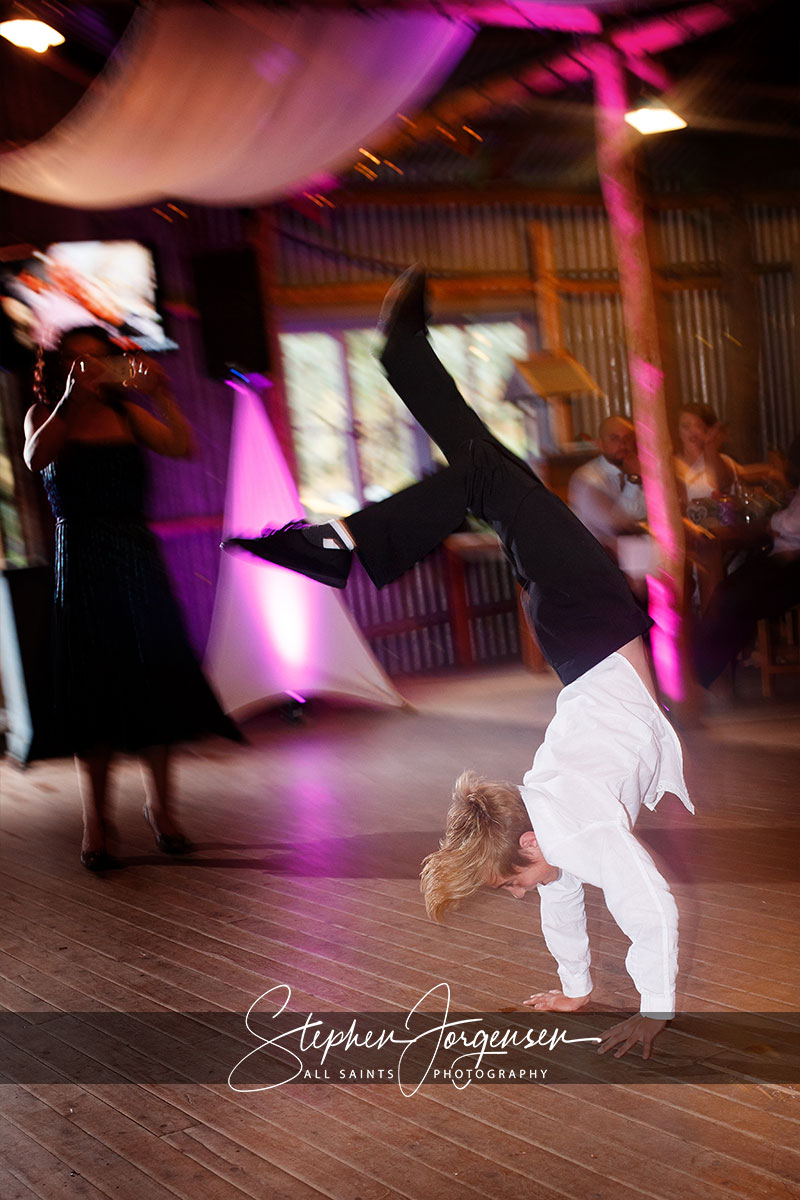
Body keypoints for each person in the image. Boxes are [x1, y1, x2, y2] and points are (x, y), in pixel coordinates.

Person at [223, 267, 693, 1059]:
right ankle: (404, 358)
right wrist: (578, 989)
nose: (519, 895)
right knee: (484, 465)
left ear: (532, 846)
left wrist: (654, 1009)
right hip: (583, 632)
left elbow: (643, 902)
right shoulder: (552, 826)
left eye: (507, 882)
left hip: (588, 625)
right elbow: (569, 895)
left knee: (482, 471)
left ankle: (343, 539)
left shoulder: (564, 829)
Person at [23, 325, 238, 871]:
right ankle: (97, 821)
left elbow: (182, 446)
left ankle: (161, 810)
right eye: (81, 363)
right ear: (64, 369)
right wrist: (70, 402)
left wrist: (161, 393)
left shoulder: (126, 416)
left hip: (138, 561)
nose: (93, 371)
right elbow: (33, 457)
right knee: (89, 688)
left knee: (154, 684)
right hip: (84, 564)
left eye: (101, 361)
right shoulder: (45, 417)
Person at [693, 438, 800, 686]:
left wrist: (774, 524)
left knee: (730, 598)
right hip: (783, 559)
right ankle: (702, 673)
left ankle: (701, 676)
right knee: (730, 596)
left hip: (791, 565)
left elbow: (791, 524)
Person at [568, 414, 655, 598]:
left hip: (636, 552)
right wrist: (633, 481)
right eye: (614, 438)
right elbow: (619, 524)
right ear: (599, 444)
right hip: (600, 561)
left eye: (628, 438)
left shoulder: (642, 469)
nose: (623, 445)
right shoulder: (588, 479)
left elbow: (650, 515)